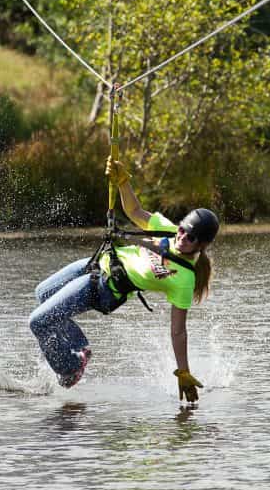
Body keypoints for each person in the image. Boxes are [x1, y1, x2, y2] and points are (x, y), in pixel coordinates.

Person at [28, 157, 219, 403]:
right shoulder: (167, 230)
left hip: (105, 288)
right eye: (182, 229)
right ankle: (79, 348)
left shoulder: (183, 279)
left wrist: (183, 371)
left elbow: (179, 331)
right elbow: (134, 211)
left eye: (191, 237)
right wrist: (122, 181)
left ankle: (70, 367)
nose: (182, 237)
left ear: (202, 245)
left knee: (39, 322)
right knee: (42, 293)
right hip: (98, 262)